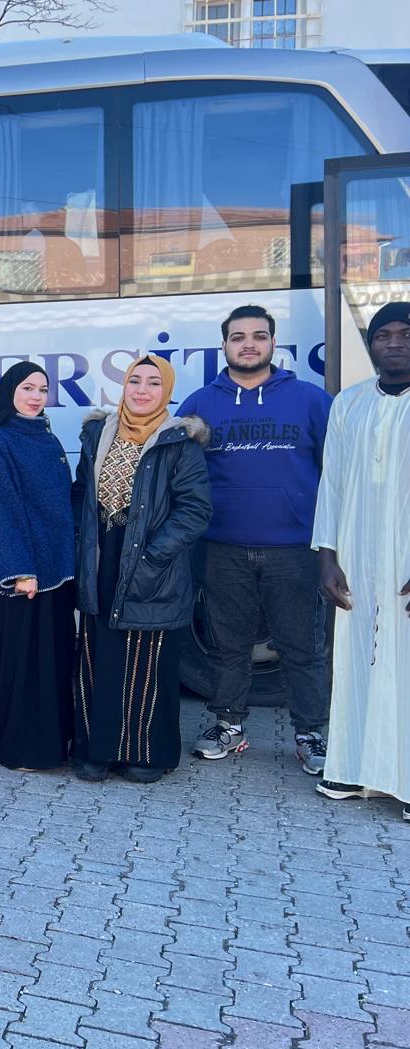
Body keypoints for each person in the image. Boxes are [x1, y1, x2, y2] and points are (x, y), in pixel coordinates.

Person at [177, 305, 332, 772]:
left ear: (273, 343)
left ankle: (310, 734)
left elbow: (336, 474)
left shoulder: (310, 400)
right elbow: (177, 476)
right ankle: (229, 725)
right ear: (224, 345)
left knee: (302, 648)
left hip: (294, 549)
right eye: (238, 337)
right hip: (221, 548)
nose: (249, 344)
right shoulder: (200, 404)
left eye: (259, 336)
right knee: (228, 646)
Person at [71, 354, 212, 784]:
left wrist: (153, 556)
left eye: (154, 383)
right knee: (99, 657)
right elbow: (81, 492)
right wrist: (83, 541)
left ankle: (145, 755)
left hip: (153, 564)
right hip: (103, 560)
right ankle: (97, 751)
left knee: (146, 663)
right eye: (135, 381)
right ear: (124, 386)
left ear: (166, 391)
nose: (143, 390)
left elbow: (195, 510)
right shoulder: (98, 434)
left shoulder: (179, 443)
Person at [312, 302, 410, 822]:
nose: (394, 343)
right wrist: (327, 557)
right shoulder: (348, 404)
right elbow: (332, 483)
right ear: (370, 345)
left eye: (405, 333)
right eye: (383, 335)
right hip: (357, 553)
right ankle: (351, 766)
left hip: (406, 557)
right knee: (356, 659)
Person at [0, 361, 76, 771]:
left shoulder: (47, 437)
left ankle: (53, 743)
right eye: (28, 388)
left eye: (43, 390)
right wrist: (20, 570)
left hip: (54, 573)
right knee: (20, 663)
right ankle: (18, 747)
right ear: (10, 391)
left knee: (52, 661)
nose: (36, 396)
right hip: (20, 577)